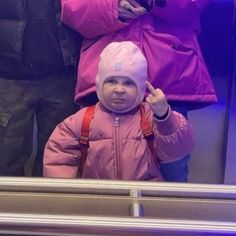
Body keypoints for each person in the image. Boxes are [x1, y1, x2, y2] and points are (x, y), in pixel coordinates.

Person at [60, 0, 217, 182]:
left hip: (167, 78)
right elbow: (72, 9)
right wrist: (112, 7)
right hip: (107, 77)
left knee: (172, 175)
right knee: (100, 171)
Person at [43, 41, 194, 180]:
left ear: (141, 88)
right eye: (111, 81)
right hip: (96, 200)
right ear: (99, 84)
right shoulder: (81, 120)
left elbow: (179, 150)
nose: (119, 89)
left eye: (128, 83)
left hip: (145, 200)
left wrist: (164, 116)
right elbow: (58, 158)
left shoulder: (151, 117)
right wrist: (70, 199)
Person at [0, 0, 82, 176]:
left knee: (58, 159)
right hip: (10, 76)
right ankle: (9, 204)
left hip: (62, 75)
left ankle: (50, 204)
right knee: (6, 156)